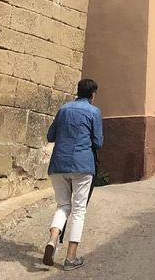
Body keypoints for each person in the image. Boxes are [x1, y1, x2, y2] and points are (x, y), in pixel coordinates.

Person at [43, 78, 103, 268]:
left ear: (78, 92)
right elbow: (98, 142)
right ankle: (70, 257)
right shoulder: (94, 111)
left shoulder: (63, 109)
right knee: (79, 210)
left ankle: (53, 238)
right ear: (93, 95)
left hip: (58, 164)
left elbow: (50, 136)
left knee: (63, 205)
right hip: (82, 165)